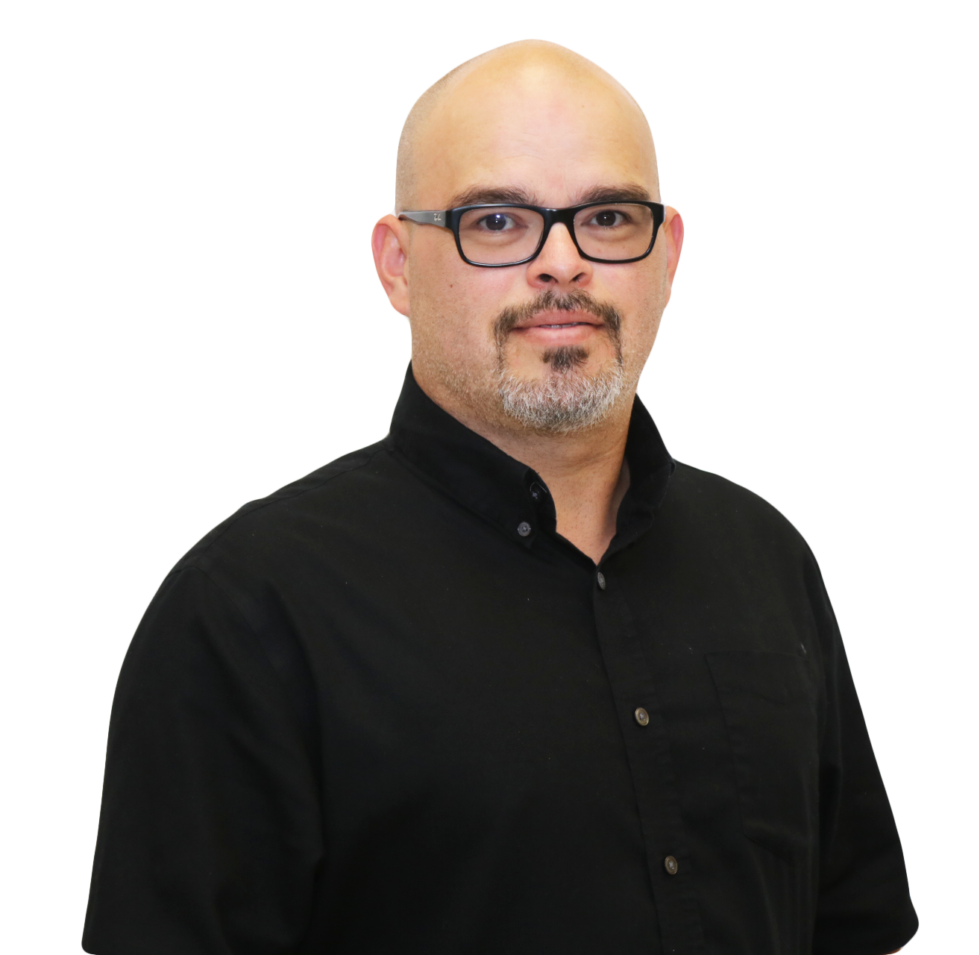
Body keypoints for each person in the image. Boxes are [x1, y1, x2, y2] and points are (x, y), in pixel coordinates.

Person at [82, 40, 917, 955]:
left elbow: (851, 925)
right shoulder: (246, 611)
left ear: (667, 254)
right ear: (397, 263)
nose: (562, 263)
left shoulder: (766, 560)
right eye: (497, 221)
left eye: (605, 216)